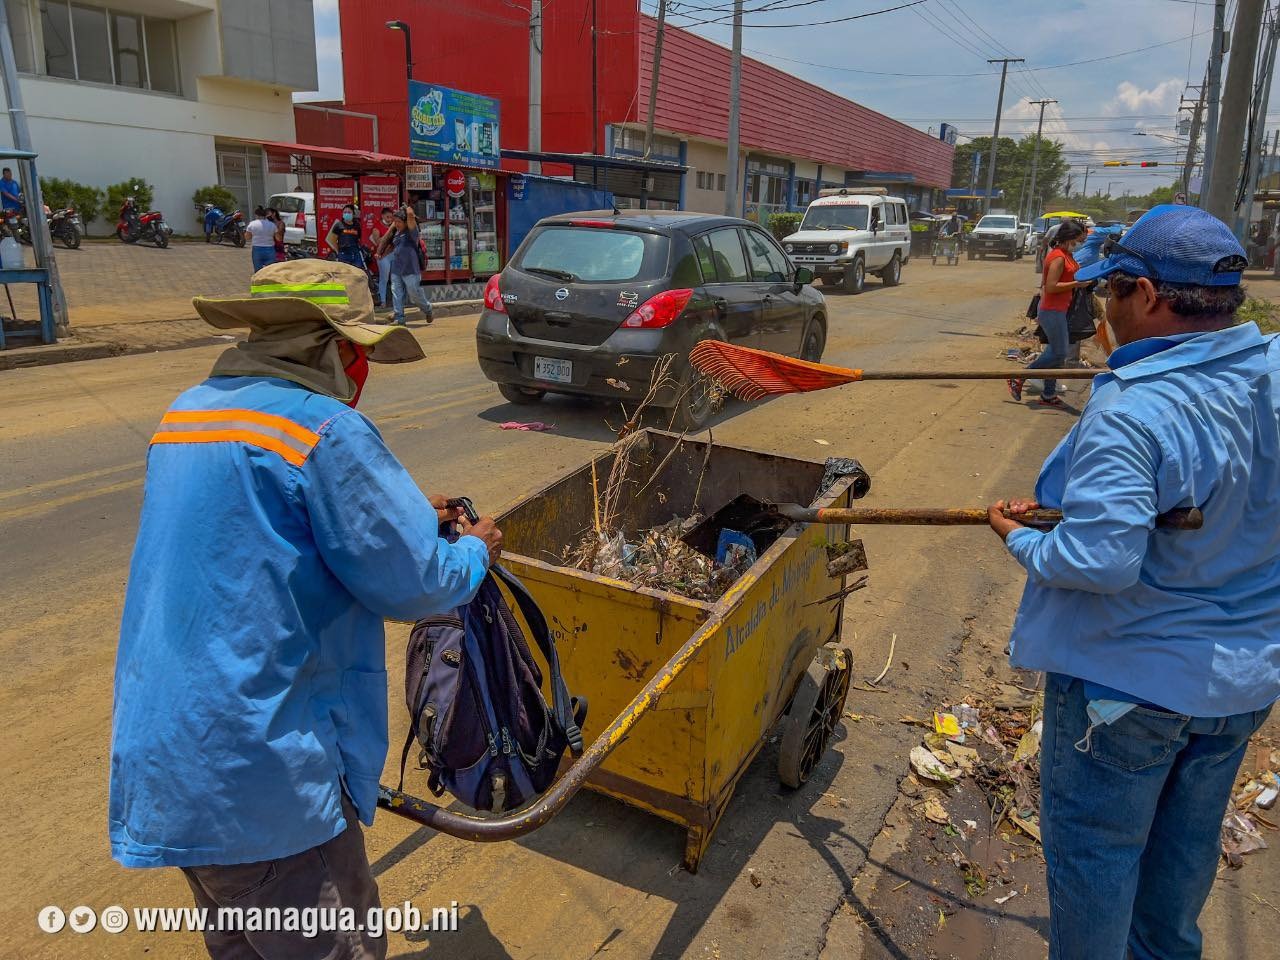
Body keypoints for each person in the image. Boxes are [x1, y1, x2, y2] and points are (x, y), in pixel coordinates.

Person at [109, 259, 503, 960]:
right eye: (362, 355)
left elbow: (273, 530)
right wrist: (474, 551)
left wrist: (412, 512)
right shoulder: (323, 428)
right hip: (265, 783)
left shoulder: (188, 414)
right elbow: (415, 583)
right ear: (338, 350)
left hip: (174, 764)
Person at [988, 204, 1278, 960]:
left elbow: (1099, 564)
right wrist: (1072, 513)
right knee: (1180, 862)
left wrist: (1020, 537)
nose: (1101, 308)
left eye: (1109, 292)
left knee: (1098, 866)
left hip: (1127, 694)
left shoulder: (1133, 409)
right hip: (1238, 688)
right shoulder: (1272, 372)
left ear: (1146, 294)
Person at [1009, 219, 1089, 408]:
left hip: (1060, 310)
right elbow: (1051, 286)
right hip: (1052, 311)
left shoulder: (1067, 255)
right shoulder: (1058, 257)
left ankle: (1049, 393)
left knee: (1055, 352)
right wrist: (1077, 284)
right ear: (1069, 238)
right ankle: (1020, 377)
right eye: (1078, 240)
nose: (1079, 244)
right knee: (1059, 352)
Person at [377, 205, 435, 326]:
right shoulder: (397, 234)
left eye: (399, 222)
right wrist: (381, 255)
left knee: (414, 294)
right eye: (395, 222)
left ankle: (428, 309)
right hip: (396, 268)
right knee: (396, 292)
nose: (396, 224)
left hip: (411, 269)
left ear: (406, 222)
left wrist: (407, 208)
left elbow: (410, 216)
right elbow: (393, 247)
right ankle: (400, 318)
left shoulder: (412, 233)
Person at [369, 207, 396, 307]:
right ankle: (383, 301)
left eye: (391, 217)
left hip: (393, 255)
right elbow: (378, 242)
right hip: (383, 256)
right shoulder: (377, 227)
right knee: (384, 279)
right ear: (382, 216)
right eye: (387, 217)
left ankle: (396, 301)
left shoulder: (394, 226)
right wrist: (389, 233)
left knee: (395, 279)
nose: (389, 219)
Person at [327, 203, 365, 271]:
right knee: (344, 274)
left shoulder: (357, 225)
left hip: (355, 253)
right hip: (344, 254)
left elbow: (359, 238)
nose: (347, 214)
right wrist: (338, 251)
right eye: (345, 212)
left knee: (357, 273)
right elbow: (333, 240)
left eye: (349, 212)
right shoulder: (338, 225)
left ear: (353, 214)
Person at [245, 206, 277, 272]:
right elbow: (278, 238)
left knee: (258, 272)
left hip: (257, 249)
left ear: (256, 215)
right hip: (270, 249)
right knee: (270, 271)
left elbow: (247, 237)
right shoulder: (272, 225)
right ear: (265, 215)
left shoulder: (252, 224)